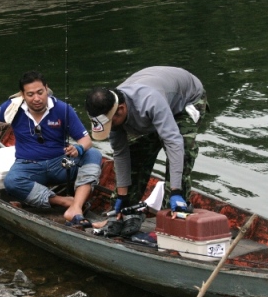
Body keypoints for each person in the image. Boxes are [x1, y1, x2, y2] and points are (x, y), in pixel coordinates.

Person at [0, 71, 102, 227]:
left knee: (93, 154)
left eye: (40, 92)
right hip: (28, 166)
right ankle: (63, 201)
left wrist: (78, 149)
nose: (37, 98)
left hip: (60, 165)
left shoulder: (62, 109)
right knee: (12, 181)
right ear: (23, 95)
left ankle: (76, 207)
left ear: (46, 89)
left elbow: (86, 140)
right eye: (31, 94)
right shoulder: (13, 107)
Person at [85, 66, 208, 218]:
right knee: (136, 154)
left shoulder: (150, 102)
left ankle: (174, 211)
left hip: (187, 100)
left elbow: (173, 143)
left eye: (111, 123)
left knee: (182, 151)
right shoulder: (109, 108)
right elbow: (121, 154)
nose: (111, 128)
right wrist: (122, 195)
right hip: (157, 100)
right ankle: (124, 212)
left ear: (121, 109)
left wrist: (176, 191)